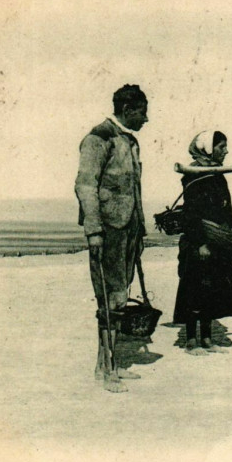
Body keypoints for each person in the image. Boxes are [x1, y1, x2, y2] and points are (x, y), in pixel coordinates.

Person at [75, 84, 148, 393]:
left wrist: (140, 229)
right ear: (128, 110)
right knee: (110, 298)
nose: (146, 119)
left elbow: (134, 191)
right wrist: (93, 231)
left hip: (128, 231)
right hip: (107, 231)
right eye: (143, 112)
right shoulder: (98, 138)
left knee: (119, 296)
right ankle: (107, 370)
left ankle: (109, 364)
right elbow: (85, 186)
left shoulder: (129, 142)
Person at [172, 131, 232, 355]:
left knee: (212, 291)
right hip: (199, 242)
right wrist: (200, 243)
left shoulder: (216, 173)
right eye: (221, 147)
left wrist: (229, 240)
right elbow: (191, 214)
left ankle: (208, 339)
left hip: (218, 241)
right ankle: (191, 341)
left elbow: (225, 209)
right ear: (209, 148)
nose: (226, 151)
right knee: (195, 290)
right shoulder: (195, 174)